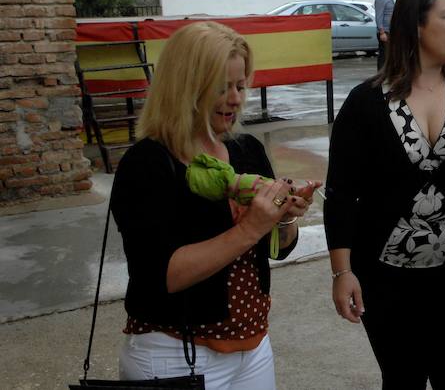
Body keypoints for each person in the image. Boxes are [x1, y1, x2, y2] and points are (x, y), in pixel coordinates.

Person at [111, 21, 320, 389]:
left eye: (240, 86)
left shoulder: (246, 150)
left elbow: (277, 249)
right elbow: (164, 276)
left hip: (252, 346)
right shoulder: (147, 164)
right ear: (185, 87)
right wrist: (251, 226)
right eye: (221, 88)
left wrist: (283, 221)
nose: (236, 99)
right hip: (175, 353)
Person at [324, 0, 445, 390]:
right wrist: (342, 272)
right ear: (416, 26)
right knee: (401, 379)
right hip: (382, 278)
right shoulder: (365, 102)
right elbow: (341, 193)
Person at [374, 0, 396, 70]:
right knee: (383, 56)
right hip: (385, 32)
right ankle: (380, 76)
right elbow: (379, 16)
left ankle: (389, 74)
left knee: (391, 55)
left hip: (391, 31)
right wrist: (382, 32)